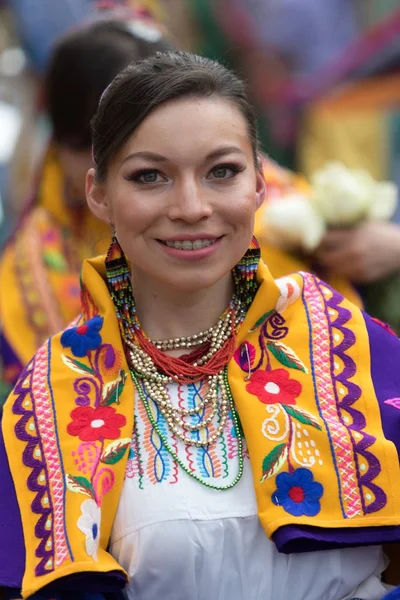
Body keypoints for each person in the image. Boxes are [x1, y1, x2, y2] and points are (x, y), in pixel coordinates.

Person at [2, 51, 400, 600]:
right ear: (99, 194)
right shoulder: (55, 395)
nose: (191, 206)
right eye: (150, 176)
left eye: (222, 171)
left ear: (261, 184)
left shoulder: (353, 350)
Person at [0, 13, 172, 403]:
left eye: (152, 163)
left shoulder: (251, 205)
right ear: (61, 144)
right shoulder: (30, 279)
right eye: (96, 150)